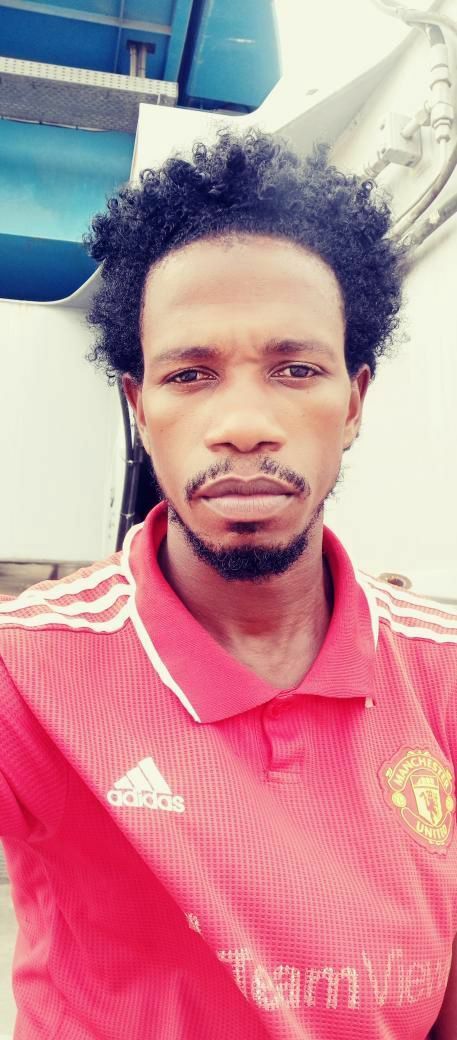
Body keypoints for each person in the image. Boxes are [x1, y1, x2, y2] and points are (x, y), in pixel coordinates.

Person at [0, 128, 455, 1040]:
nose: (244, 424)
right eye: (191, 374)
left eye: (296, 369)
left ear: (353, 401)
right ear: (140, 407)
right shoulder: (29, 667)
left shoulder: (440, 671)